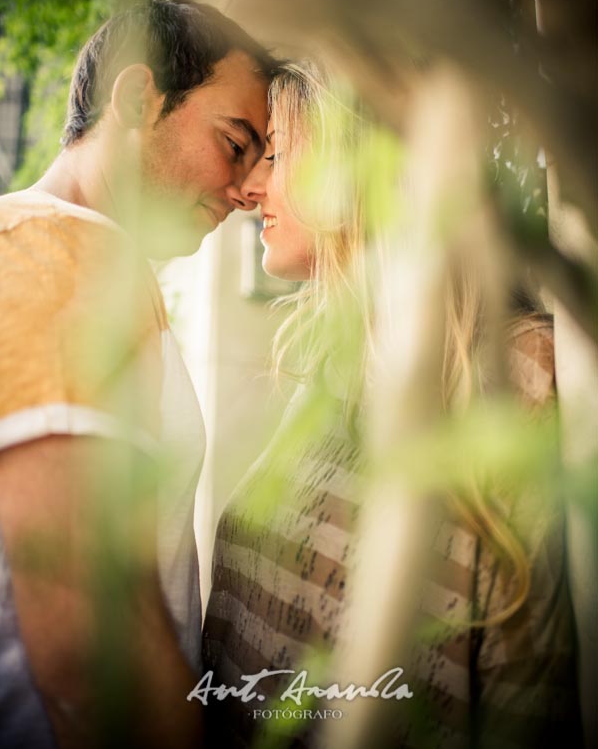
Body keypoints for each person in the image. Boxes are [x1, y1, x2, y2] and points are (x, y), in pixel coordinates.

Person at [201, 62, 581, 748]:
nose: (248, 186)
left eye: (278, 152)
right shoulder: (319, 363)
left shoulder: (516, 375)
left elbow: (526, 687)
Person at [0, 0, 277, 749]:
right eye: (234, 143)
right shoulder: (63, 259)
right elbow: (87, 635)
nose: (251, 191)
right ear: (135, 98)